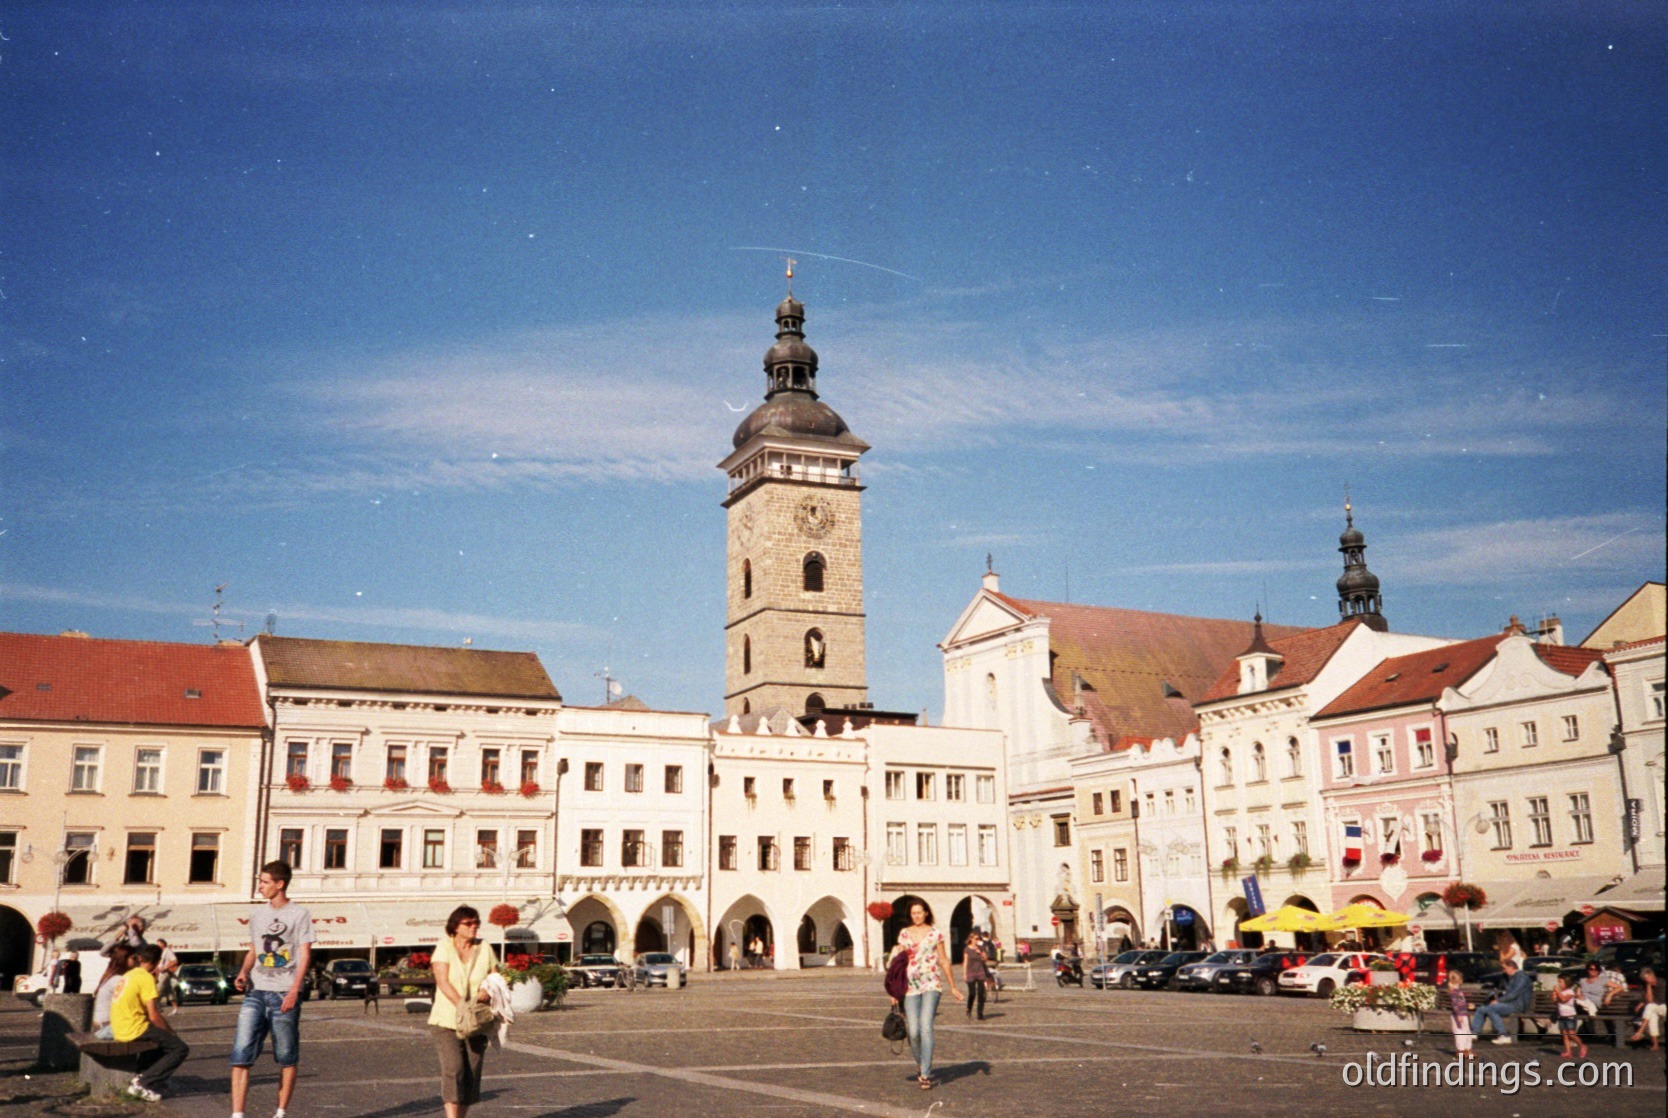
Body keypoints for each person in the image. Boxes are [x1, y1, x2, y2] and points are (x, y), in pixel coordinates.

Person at [231, 860, 314, 1118]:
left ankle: (280, 1113)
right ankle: (237, 1115)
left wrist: (294, 990)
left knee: (286, 1055)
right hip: (256, 991)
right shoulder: (257, 916)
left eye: (265, 882)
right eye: (260, 881)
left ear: (280, 884)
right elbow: (254, 950)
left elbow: (304, 954)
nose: (260, 887)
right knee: (240, 1053)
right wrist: (244, 971)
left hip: (283, 993)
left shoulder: (299, 914)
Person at [886, 901, 963, 1090]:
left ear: (926, 913)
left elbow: (944, 960)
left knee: (926, 1027)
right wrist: (893, 991)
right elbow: (898, 963)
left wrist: (953, 986)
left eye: (919, 913)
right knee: (913, 1030)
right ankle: (920, 1064)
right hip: (910, 987)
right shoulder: (904, 934)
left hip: (931, 984)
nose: (916, 916)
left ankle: (926, 1073)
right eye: (913, 913)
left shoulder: (935, 933)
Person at [430, 905, 498, 1118]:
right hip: (446, 1020)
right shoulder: (444, 947)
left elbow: (494, 976)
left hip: (477, 1021)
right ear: (456, 926)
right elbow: (442, 981)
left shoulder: (484, 947)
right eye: (468, 923)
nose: (474, 927)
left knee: (471, 1072)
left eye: (476, 923)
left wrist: (487, 989)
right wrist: (462, 1006)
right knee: (455, 1069)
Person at [111, 944, 190, 1102]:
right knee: (179, 1048)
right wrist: (171, 1032)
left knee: (160, 1041)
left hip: (120, 1026)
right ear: (158, 961)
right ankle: (143, 1083)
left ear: (140, 958)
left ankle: (143, 1075)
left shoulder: (130, 974)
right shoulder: (145, 978)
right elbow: (154, 1015)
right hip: (133, 1027)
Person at [1472, 957, 1534, 1044]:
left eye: (1504, 968)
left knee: (1491, 1008)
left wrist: (1498, 1001)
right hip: (1508, 1003)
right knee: (1482, 1008)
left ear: (1511, 967)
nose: (1503, 970)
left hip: (1517, 1005)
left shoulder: (1521, 977)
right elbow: (1501, 990)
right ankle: (1474, 1033)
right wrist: (1493, 997)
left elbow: (1513, 994)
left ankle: (1503, 1035)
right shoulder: (1507, 977)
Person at [92, 944, 133, 1039]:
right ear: (124, 959)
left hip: (102, 1024)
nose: (137, 961)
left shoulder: (111, 976)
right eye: (133, 958)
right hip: (106, 1027)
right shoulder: (118, 979)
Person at [1553, 973, 1588, 1061]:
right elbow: (1557, 1002)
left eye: (1560, 982)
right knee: (1565, 1035)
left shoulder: (1570, 992)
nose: (1559, 984)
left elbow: (1564, 1000)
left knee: (1571, 1033)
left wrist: (1558, 992)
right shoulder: (1561, 992)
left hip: (1570, 1016)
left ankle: (1582, 1046)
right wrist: (1554, 995)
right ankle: (1568, 1051)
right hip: (1562, 1015)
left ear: (1567, 983)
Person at [1628, 966, 1663, 1050]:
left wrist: (1643, 1003)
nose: (1649, 980)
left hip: (1663, 1006)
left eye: (1650, 977)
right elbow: (1648, 999)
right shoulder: (1644, 986)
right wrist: (1648, 986)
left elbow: (1658, 1001)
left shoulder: (1662, 983)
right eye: (1646, 979)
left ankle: (1640, 1032)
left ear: (1653, 975)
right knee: (1652, 1015)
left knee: (1650, 1007)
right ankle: (1655, 1044)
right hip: (1654, 1008)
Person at [962, 928, 989, 1021]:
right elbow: (965, 962)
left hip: (980, 972)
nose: (977, 940)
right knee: (972, 993)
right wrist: (964, 974)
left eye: (978, 939)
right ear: (971, 939)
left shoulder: (981, 948)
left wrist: (980, 953)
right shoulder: (967, 949)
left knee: (981, 993)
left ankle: (980, 1013)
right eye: (976, 938)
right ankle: (969, 1009)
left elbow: (986, 959)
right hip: (970, 973)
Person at [1446, 970, 1473, 1059]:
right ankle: (1461, 1049)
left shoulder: (1458, 990)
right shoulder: (1454, 992)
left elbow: (1461, 1002)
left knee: (1467, 1031)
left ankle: (1467, 1048)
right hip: (1459, 1014)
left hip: (1463, 1013)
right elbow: (1456, 1004)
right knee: (1460, 1032)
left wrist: (1467, 1005)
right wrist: (1458, 1014)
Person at [155, 938, 180, 1011]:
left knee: (158, 989)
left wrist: (165, 967)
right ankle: (176, 1008)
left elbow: (174, 961)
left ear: (163, 944)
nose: (157, 945)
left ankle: (156, 1007)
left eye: (158, 943)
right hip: (160, 972)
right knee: (168, 991)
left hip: (164, 973)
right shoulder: (162, 952)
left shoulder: (168, 951)